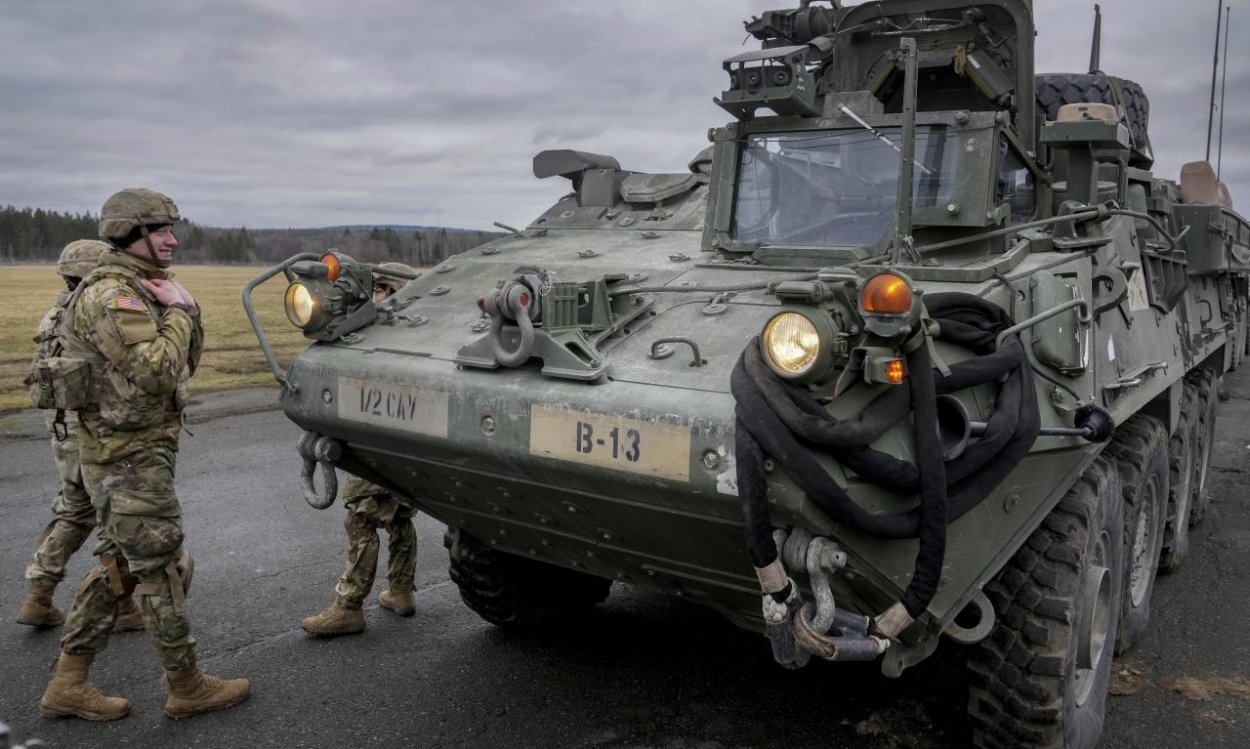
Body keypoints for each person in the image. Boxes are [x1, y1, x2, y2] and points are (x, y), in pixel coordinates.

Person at [38, 188, 250, 721]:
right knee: (164, 566)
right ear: (131, 234)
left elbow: (183, 365)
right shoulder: (114, 295)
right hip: (126, 457)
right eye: (161, 231)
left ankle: (68, 682)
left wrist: (184, 308)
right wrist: (179, 311)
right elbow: (157, 372)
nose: (172, 239)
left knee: (119, 566)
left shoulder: (139, 286)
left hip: (133, 453)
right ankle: (186, 685)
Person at [17, 240, 143, 634]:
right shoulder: (95, 313)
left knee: (74, 509)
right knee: (112, 515)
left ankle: (39, 593)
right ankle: (120, 606)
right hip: (92, 428)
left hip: (61, 427)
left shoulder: (54, 315)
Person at [302, 262, 420, 637]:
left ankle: (348, 606)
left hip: (380, 442)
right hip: (407, 442)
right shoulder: (415, 331)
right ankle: (401, 591)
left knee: (360, 517)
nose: (374, 297)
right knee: (399, 516)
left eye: (381, 291)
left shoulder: (385, 331)